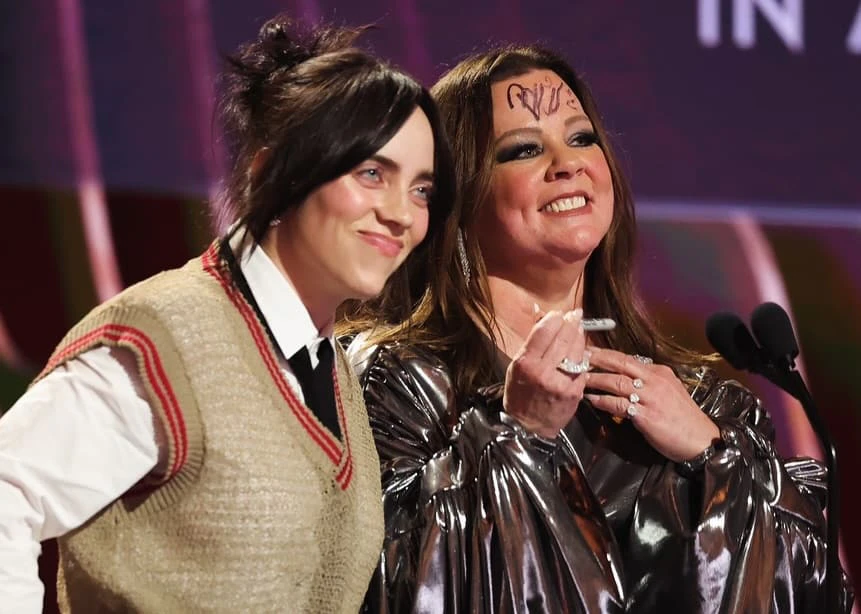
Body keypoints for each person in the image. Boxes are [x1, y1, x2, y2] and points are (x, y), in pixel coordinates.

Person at [339, 45, 854, 613]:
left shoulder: (700, 404)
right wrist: (518, 437)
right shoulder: (396, 387)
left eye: (582, 139)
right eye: (524, 149)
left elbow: (813, 592)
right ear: (461, 198)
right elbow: (389, 584)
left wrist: (714, 457)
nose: (568, 163)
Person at [0, 14, 455, 614]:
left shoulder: (333, 370)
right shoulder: (166, 336)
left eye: (421, 189)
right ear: (274, 172)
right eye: (372, 173)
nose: (402, 215)